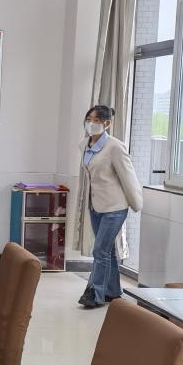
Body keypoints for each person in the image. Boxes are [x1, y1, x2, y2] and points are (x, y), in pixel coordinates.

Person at [77, 105, 142, 309]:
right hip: (95, 205)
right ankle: (113, 292)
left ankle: (95, 294)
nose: (91, 123)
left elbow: (128, 176)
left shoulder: (115, 147)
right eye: (89, 119)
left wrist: (136, 203)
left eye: (96, 120)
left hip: (115, 207)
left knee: (100, 250)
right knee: (107, 250)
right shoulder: (84, 145)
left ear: (107, 124)